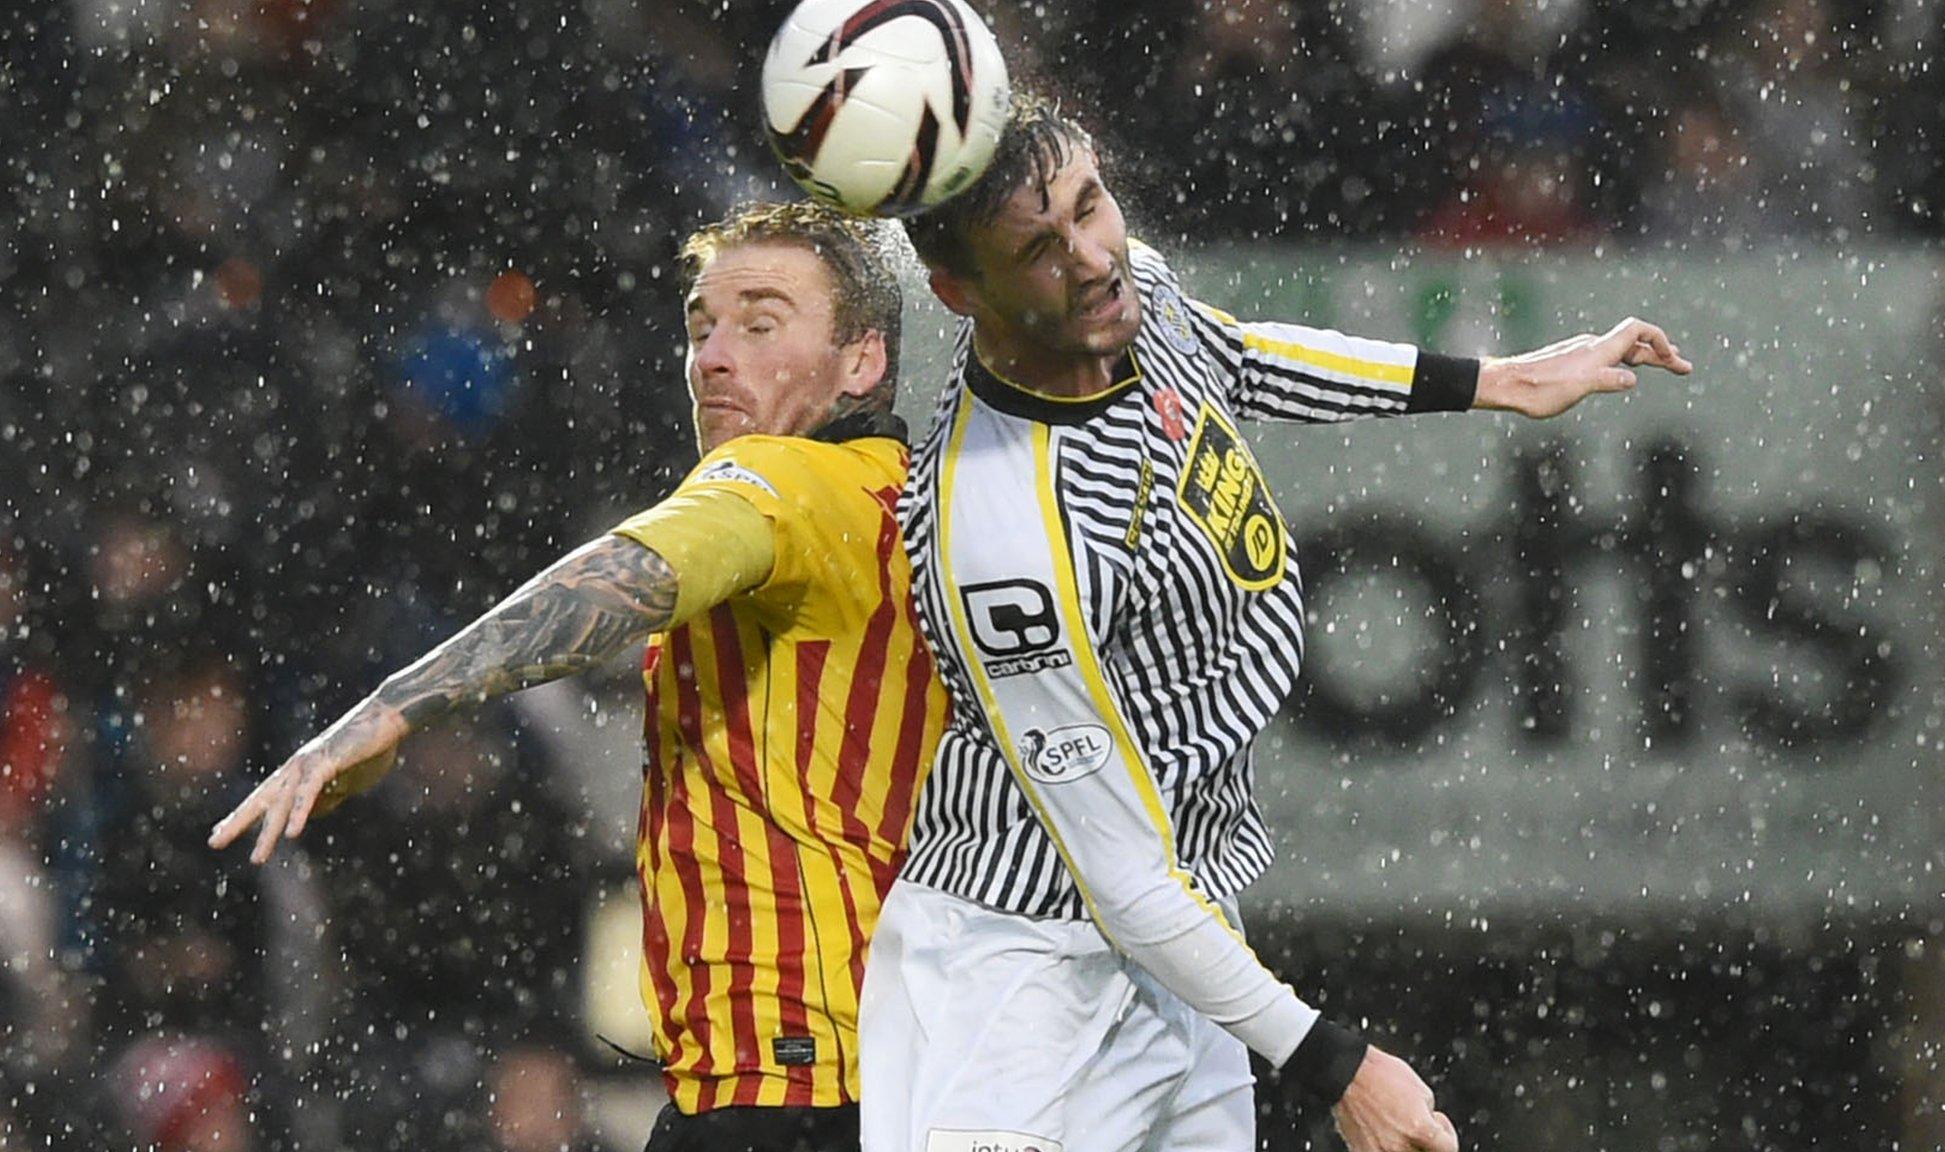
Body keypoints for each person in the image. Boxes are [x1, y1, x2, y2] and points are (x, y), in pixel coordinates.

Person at [860, 95, 1692, 1152]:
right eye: (1037, 249)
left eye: (1090, 206)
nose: (1089, 258)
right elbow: (1113, 878)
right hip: (1023, 978)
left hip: (1182, 926)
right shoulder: (1001, 533)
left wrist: (1501, 380)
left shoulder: (1125, 297)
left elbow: (1238, 357)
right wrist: (1338, 1067)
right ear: (956, 291)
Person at [209, 201, 947, 1152]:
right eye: (700, 325)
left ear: (863, 361)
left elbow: (628, 574)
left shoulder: (784, 483)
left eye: (761, 325)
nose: (714, 356)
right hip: (893, 1069)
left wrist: (395, 706)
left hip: (784, 1082)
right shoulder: (914, 501)